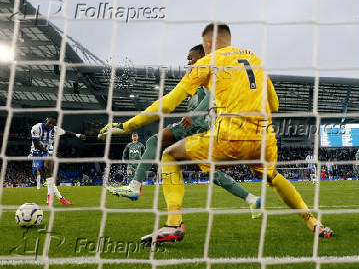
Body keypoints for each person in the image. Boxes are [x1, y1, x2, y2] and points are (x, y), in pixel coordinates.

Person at [100, 23, 333, 244]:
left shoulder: (210, 61)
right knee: (273, 177)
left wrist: (127, 126)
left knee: (170, 155)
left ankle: (173, 223)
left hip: (229, 138)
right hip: (263, 139)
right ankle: (314, 223)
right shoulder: (255, 60)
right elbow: (274, 103)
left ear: (209, 43)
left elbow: (169, 103)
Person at [106, 44, 262, 219]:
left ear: (203, 56)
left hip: (197, 125)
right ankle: (251, 199)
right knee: (213, 172)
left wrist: (193, 115)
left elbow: (212, 98)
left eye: (191, 58)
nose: (188, 62)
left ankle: (134, 187)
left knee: (153, 141)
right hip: (202, 129)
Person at [29, 116, 86, 205]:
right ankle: (53, 195)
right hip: (36, 153)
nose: (51, 125)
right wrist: (49, 151)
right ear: (45, 121)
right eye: (49, 123)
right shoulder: (36, 128)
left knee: (48, 169)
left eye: (53, 124)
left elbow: (66, 133)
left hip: (48, 151)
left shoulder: (55, 129)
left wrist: (78, 135)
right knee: (42, 174)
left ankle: (59, 197)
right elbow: (36, 144)